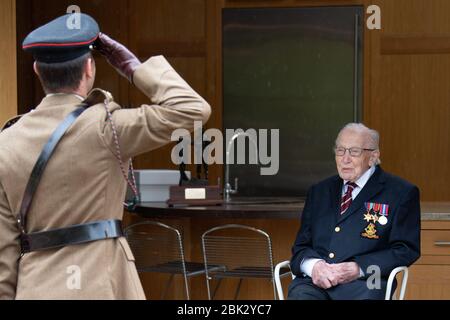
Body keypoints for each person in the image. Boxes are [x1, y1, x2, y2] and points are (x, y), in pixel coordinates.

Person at [0, 13, 211, 299]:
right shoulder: (106, 127)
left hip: (36, 288)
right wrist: (133, 68)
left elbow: (5, 251)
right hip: (102, 287)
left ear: (37, 70)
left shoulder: (6, 142)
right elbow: (192, 110)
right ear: (90, 69)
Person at [288, 123, 420, 300]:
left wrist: (359, 268)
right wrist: (314, 266)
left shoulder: (400, 192)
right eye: (340, 151)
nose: (345, 159)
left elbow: (405, 249)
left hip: (366, 282)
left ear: (373, 156)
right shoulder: (319, 191)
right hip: (316, 283)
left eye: (354, 151)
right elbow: (301, 247)